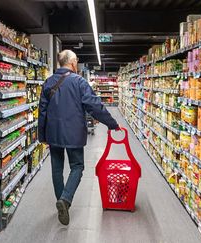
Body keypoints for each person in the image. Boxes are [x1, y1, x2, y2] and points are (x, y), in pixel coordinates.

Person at [38, 50, 120, 225]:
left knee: (56, 168)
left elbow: (42, 112)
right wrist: (112, 123)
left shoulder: (48, 83)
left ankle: (61, 202)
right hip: (73, 132)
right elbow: (94, 106)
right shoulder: (79, 82)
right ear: (73, 62)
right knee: (77, 166)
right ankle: (65, 200)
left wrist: (42, 135)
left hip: (53, 133)